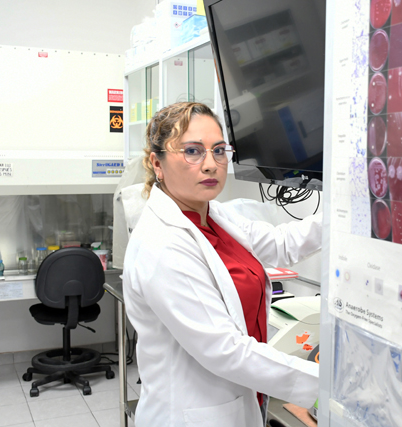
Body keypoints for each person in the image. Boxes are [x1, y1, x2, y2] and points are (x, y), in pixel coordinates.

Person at [122, 102, 322, 427]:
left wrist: (346, 212)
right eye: (192, 151)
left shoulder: (213, 215)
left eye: (218, 151)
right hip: (192, 417)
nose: (210, 165)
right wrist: (324, 386)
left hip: (240, 402)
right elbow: (226, 350)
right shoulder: (162, 244)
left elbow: (280, 243)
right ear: (157, 163)